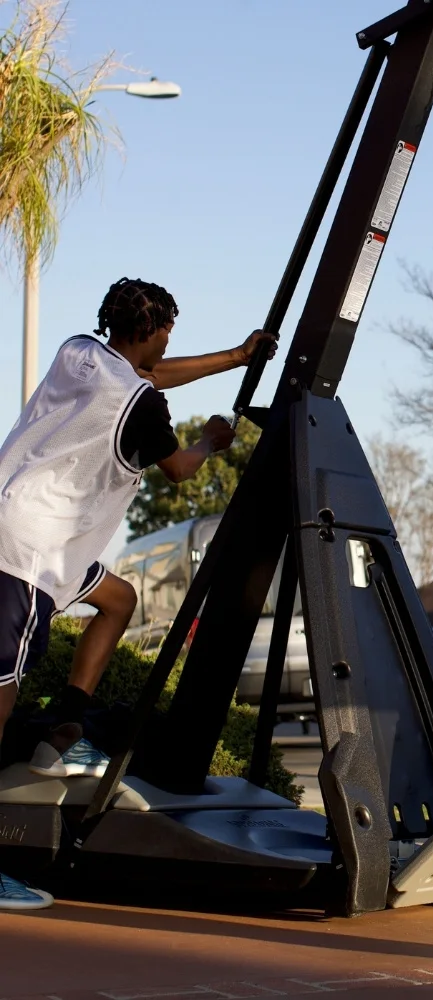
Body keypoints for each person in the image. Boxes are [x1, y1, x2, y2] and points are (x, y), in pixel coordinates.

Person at [0, 277, 275, 910]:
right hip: (31, 551)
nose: (166, 346)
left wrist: (236, 357)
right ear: (147, 333)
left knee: (117, 601)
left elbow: (149, 376)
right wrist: (210, 441)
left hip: (40, 533)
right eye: (164, 336)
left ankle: (61, 732)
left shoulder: (79, 352)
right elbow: (178, 468)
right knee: (0, 692)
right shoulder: (141, 407)